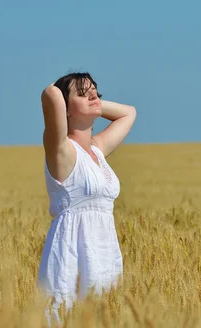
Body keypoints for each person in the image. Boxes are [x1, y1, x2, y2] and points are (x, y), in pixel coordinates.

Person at [36, 71, 136, 323]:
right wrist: (68, 94)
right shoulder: (61, 150)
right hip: (71, 254)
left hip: (104, 252)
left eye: (95, 90)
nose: (93, 95)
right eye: (82, 93)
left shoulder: (97, 149)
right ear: (66, 108)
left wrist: (90, 102)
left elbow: (129, 112)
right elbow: (50, 94)